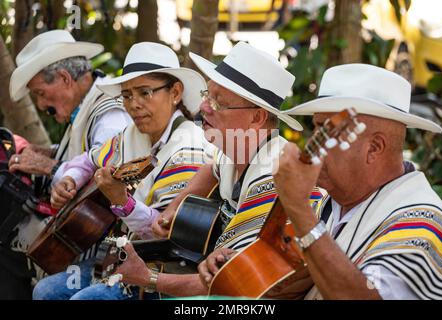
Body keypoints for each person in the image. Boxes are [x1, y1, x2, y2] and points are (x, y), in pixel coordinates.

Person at [202, 63, 442, 300]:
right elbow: (295, 274)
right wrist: (238, 265)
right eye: (315, 130)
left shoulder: (423, 224)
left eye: (326, 133)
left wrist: (298, 208)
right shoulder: (333, 205)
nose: (311, 146)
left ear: (374, 148)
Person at [110, 42, 322, 299]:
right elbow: (213, 168)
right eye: (207, 95)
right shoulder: (235, 151)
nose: (204, 108)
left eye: (219, 103)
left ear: (256, 118)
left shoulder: (270, 176)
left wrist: (149, 278)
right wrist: (175, 207)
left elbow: (231, 283)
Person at [32, 42, 212, 300]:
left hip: (163, 268)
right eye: (127, 95)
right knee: (45, 291)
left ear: (175, 92)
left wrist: (121, 202)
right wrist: (70, 178)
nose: (133, 104)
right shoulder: (131, 135)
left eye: (145, 92)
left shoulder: (188, 149)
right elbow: (89, 159)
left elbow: (162, 233)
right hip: (121, 256)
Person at [2, 30, 130, 299]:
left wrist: (48, 167)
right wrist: (48, 153)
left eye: (40, 93)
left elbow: (105, 174)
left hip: (114, 248)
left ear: (64, 79)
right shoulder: (86, 107)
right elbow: (85, 154)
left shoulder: (109, 113)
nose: (40, 104)